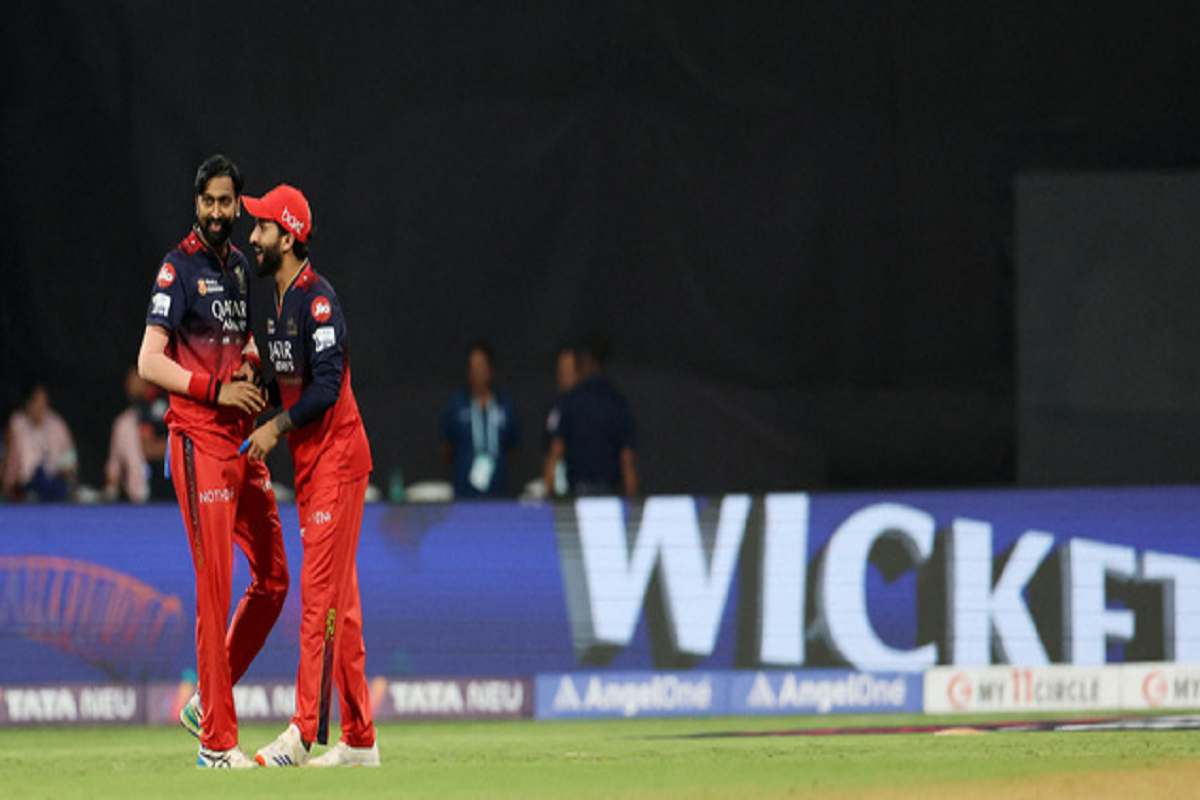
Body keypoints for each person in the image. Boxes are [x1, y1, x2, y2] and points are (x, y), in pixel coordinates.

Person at [137, 155, 289, 769]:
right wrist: (215, 390)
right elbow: (150, 360)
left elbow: (242, 337)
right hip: (198, 441)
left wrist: (250, 365)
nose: (219, 212)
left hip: (241, 442)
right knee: (215, 587)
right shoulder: (178, 268)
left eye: (228, 202)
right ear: (196, 203)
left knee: (274, 580)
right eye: (210, 202)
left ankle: (206, 700)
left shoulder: (240, 270)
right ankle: (216, 744)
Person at [241, 183, 379, 768]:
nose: (253, 236)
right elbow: (290, 382)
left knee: (319, 598)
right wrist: (258, 388)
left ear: (289, 236)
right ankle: (361, 740)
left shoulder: (318, 301)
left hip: (338, 461)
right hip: (313, 465)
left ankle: (302, 732)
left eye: (263, 227)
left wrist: (273, 427)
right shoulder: (276, 301)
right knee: (339, 604)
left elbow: (324, 387)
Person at [543, 335, 639, 497]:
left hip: (578, 494)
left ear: (584, 361)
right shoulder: (617, 403)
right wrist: (633, 500)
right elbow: (627, 458)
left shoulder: (570, 401)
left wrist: (548, 491)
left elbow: (556, 449)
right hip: (608, 494)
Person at [441, 342, 521, 498]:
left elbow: (513, 450)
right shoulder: (456, 404)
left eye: (481, 366)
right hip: (464, 495)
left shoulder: (505, 404)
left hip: (498, 495)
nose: (477, 371)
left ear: (491, 369)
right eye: (473, 367)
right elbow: (447, 449)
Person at [104, 366, 171, 503]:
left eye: (137, 378)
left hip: (171, 494)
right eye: (129, 380)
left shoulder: (164, 405)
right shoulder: (123, 423)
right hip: (139, 501)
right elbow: (114, 468)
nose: (132, 384)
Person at [2, 381, 77, 502]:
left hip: (55, 485)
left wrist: (66, 470)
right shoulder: (17, 423)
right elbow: (12, 460)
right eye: (37, 402)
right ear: (28, 403)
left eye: (44, 402)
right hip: (26, 487)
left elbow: (70, 459)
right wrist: (9, 484)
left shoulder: (57, 423)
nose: (42, 407)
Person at [541, 345, 578, 497]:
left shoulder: (589, 409)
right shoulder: (555, 410)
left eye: (568, 370)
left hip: (583, 484)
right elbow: (550, 450)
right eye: (561, 370)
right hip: (560, 487)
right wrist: (548, 481)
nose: (564, 375)